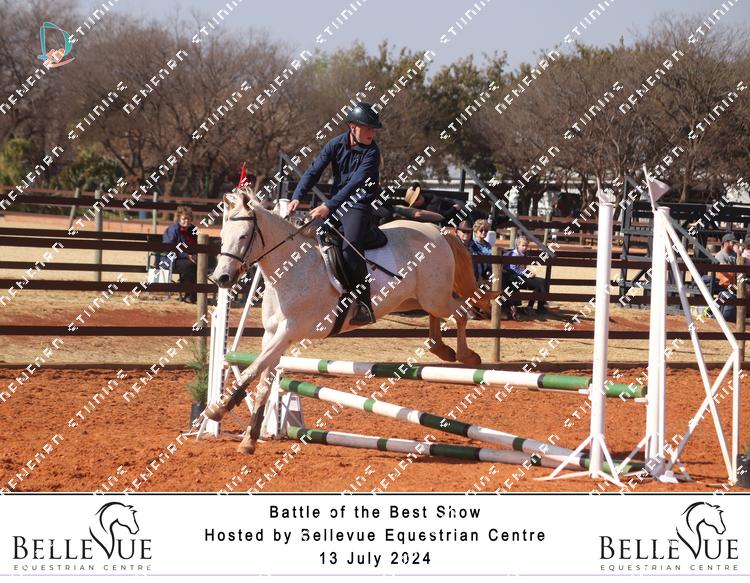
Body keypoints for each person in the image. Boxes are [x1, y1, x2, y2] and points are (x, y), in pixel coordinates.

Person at [287, 102, 382, 325]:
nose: (372, 132)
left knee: (350, 249)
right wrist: (297, 196)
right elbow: (314, 171)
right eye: (368, 127)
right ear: (352, 126)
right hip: (337, 204)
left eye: (374, 128)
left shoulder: (372, 153)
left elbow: (355, 184)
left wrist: (328, 206)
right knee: (312, 238)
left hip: (359, 204)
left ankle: (365, 305)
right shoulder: (335, 144)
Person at [163, 206, 198, 303]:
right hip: (172, 259)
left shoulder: (194, 229)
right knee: (190, 266)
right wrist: (186, 255)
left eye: (189, 218)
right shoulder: (173, 230)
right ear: (179, 219)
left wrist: (195, 255)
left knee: (201, 264)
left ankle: (197, 294)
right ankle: (190, 296)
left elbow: (198, 245)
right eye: (184, 219)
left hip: (191, 259)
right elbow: (168, 249)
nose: (187, 221)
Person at [507, 235, 548, 313]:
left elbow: (522, 269)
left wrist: (529, 273)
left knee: (542, 282)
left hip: (523, 277)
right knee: (540, 284)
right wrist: (526, 274)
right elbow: (513, 270)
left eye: (526, 245)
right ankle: (541, 304)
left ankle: (533, 306)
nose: (525, 247)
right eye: (523, 245)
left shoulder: (524, 254)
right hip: (516, 279)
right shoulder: (514, 255)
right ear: (517, 245)